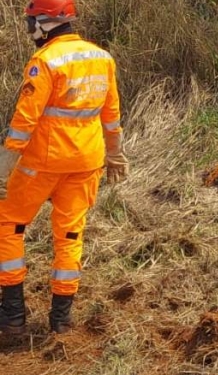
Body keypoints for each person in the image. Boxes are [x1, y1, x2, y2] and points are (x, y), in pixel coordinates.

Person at [0, 0, 129, 334]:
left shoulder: (45, 62)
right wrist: (115, 155)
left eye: (31, 22)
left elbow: (23, 123)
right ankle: (61, 320)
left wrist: (2, 170)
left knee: (10, 223)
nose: (29, 29)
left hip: (42, 163)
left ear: (46, 23)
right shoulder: (103, 58)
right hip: (87, 163)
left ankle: (12, 315)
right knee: (70, 233)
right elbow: (111, 117)